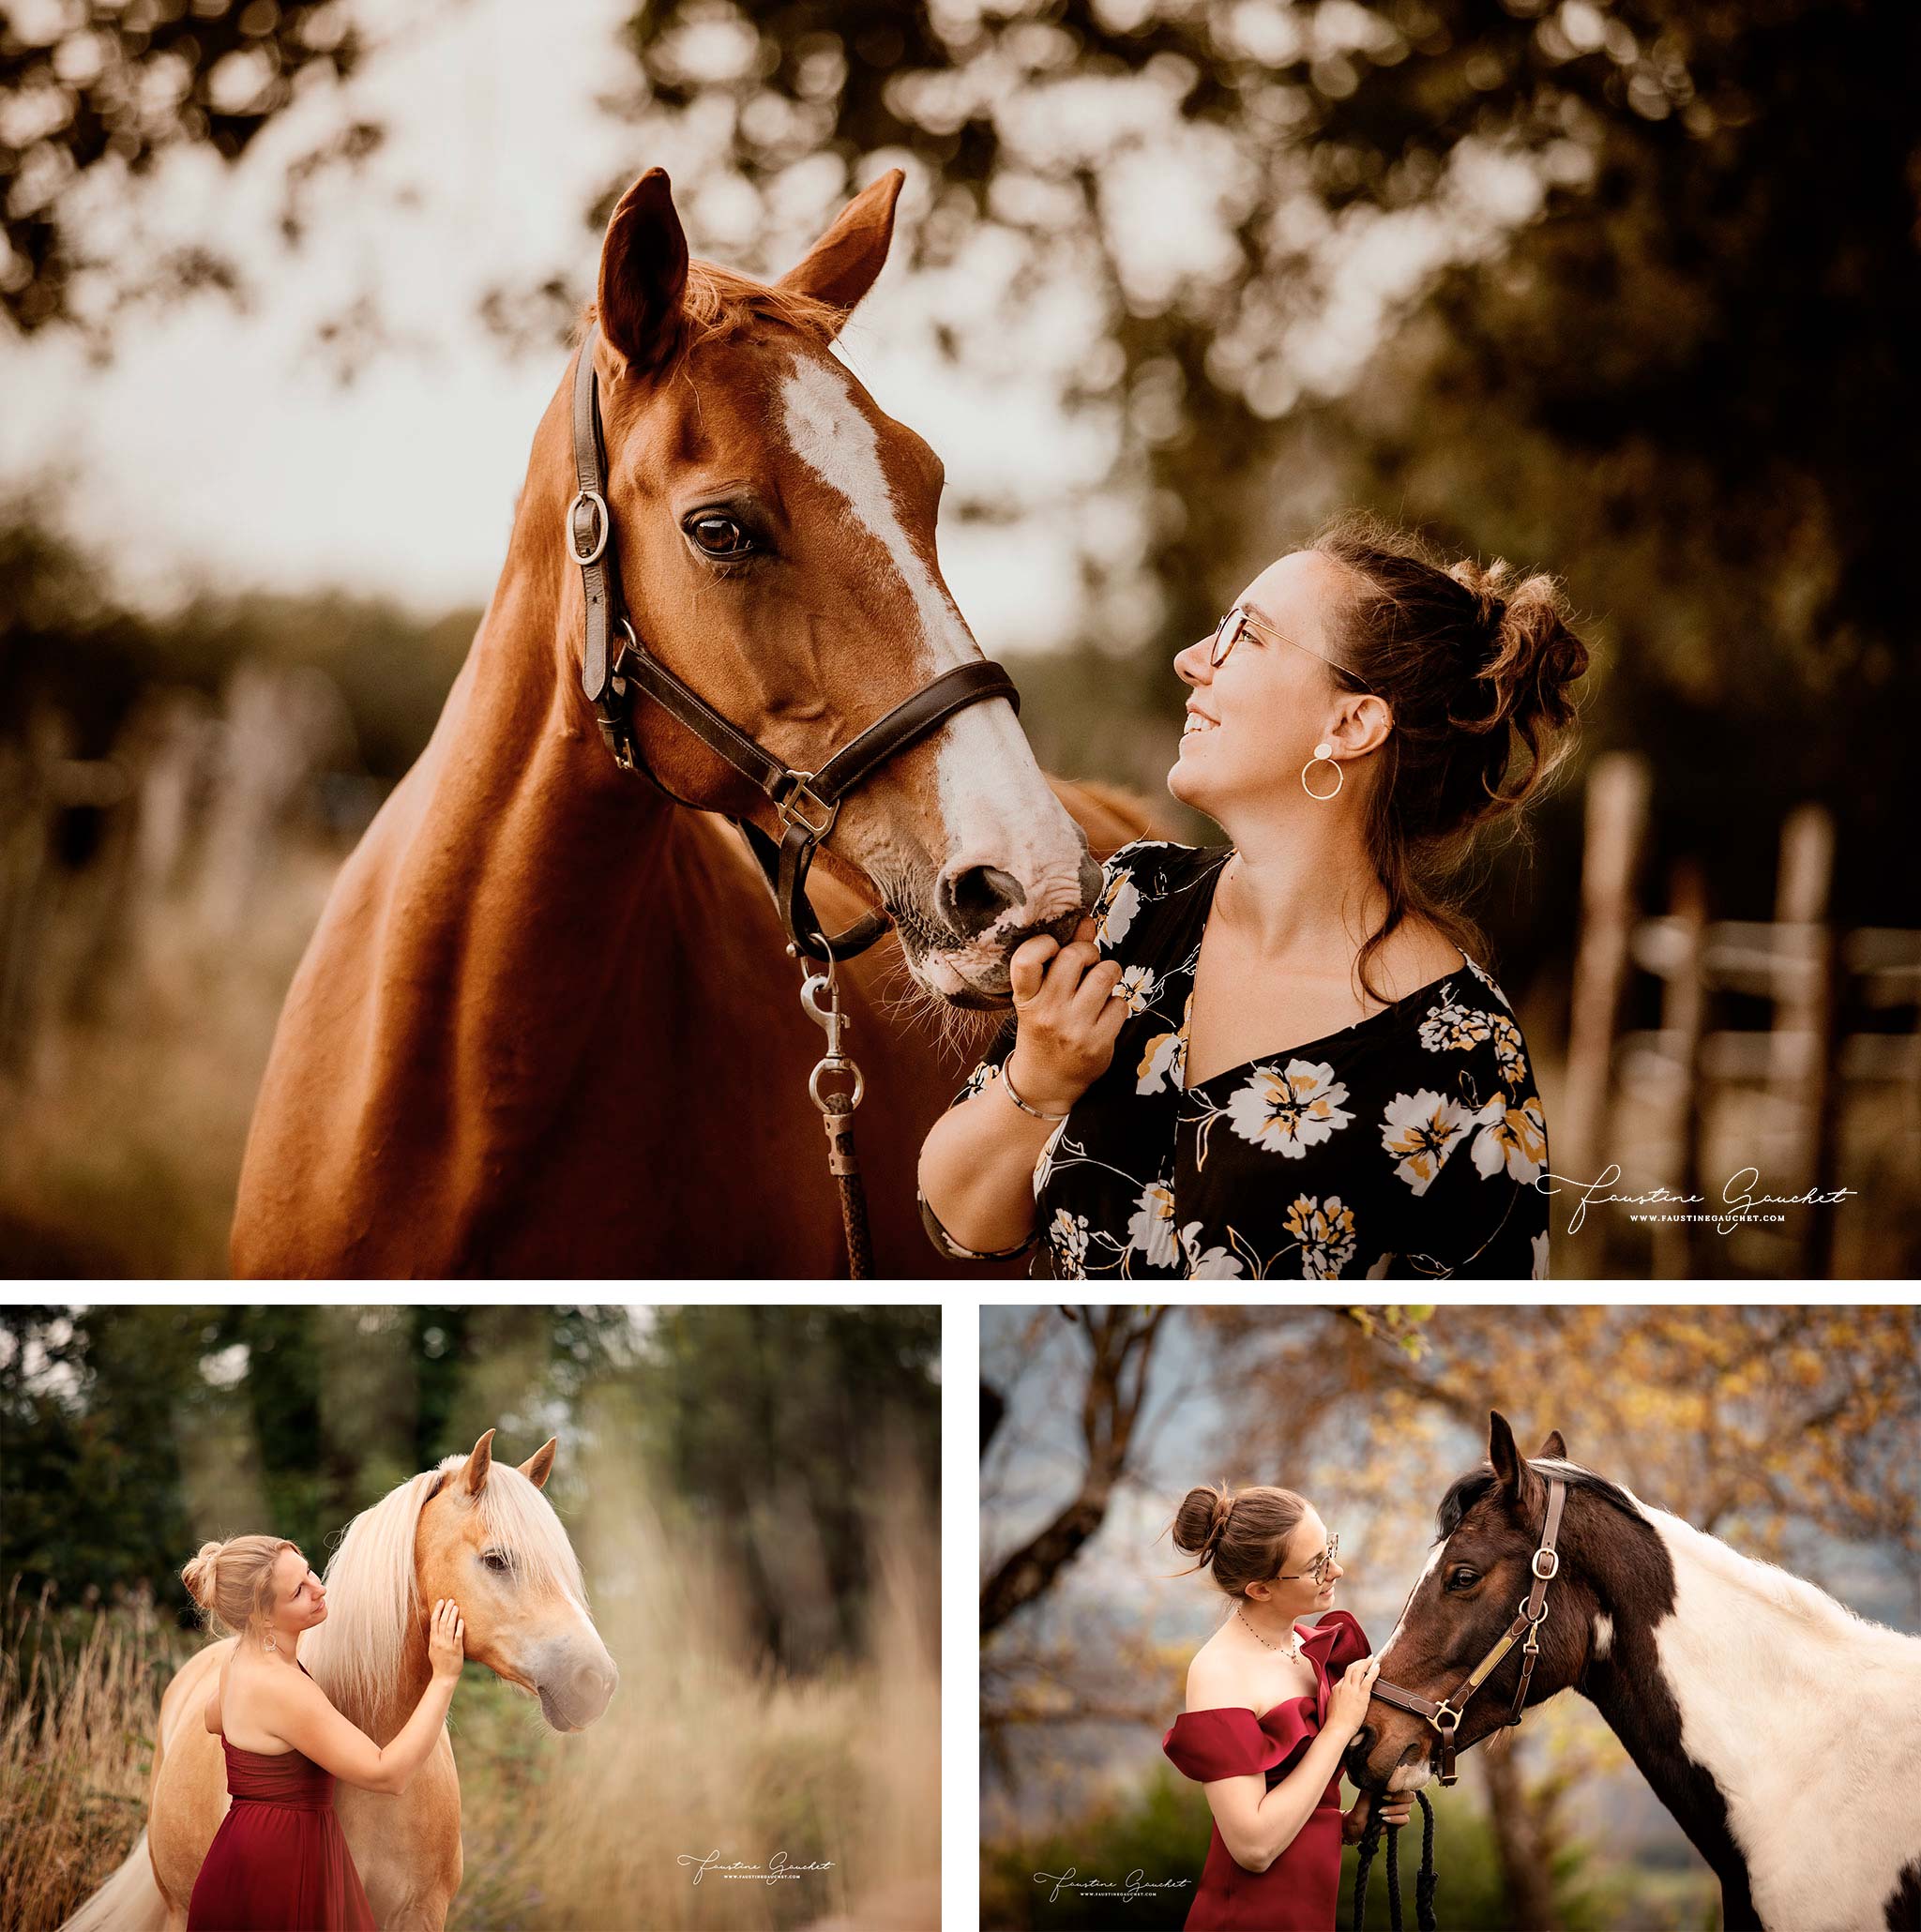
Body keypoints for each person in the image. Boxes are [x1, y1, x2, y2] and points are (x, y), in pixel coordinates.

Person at [917, 512, 1588, 1278]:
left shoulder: (1466, 1054)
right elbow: (959, 1224)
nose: (1192, 659)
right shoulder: (1133, 903)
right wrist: (1035, 1082)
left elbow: (1461, 1357)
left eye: (1247, 634)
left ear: (1350, 723)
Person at [182, 1534, 466, 1931]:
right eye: (299, 1591)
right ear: (264, 1617)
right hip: (281, 1870)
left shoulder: (238, 1662)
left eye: (310, 1571)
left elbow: (214, 1719)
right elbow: (388, 1773)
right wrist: (445, 1677)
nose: (320, 1588)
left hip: (245, 1856)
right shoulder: (283, 1687)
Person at [1161, 1484, 1410, 1931]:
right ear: (1260, 1588)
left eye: (1329, 1547)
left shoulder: (1311, 1649)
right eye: (1316, 1566)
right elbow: (1253, 1848)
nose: (1337, 1569)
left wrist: (1350, 1822)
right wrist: (1338, 1729)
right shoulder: (1220, 1671)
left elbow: (1299, 1804)